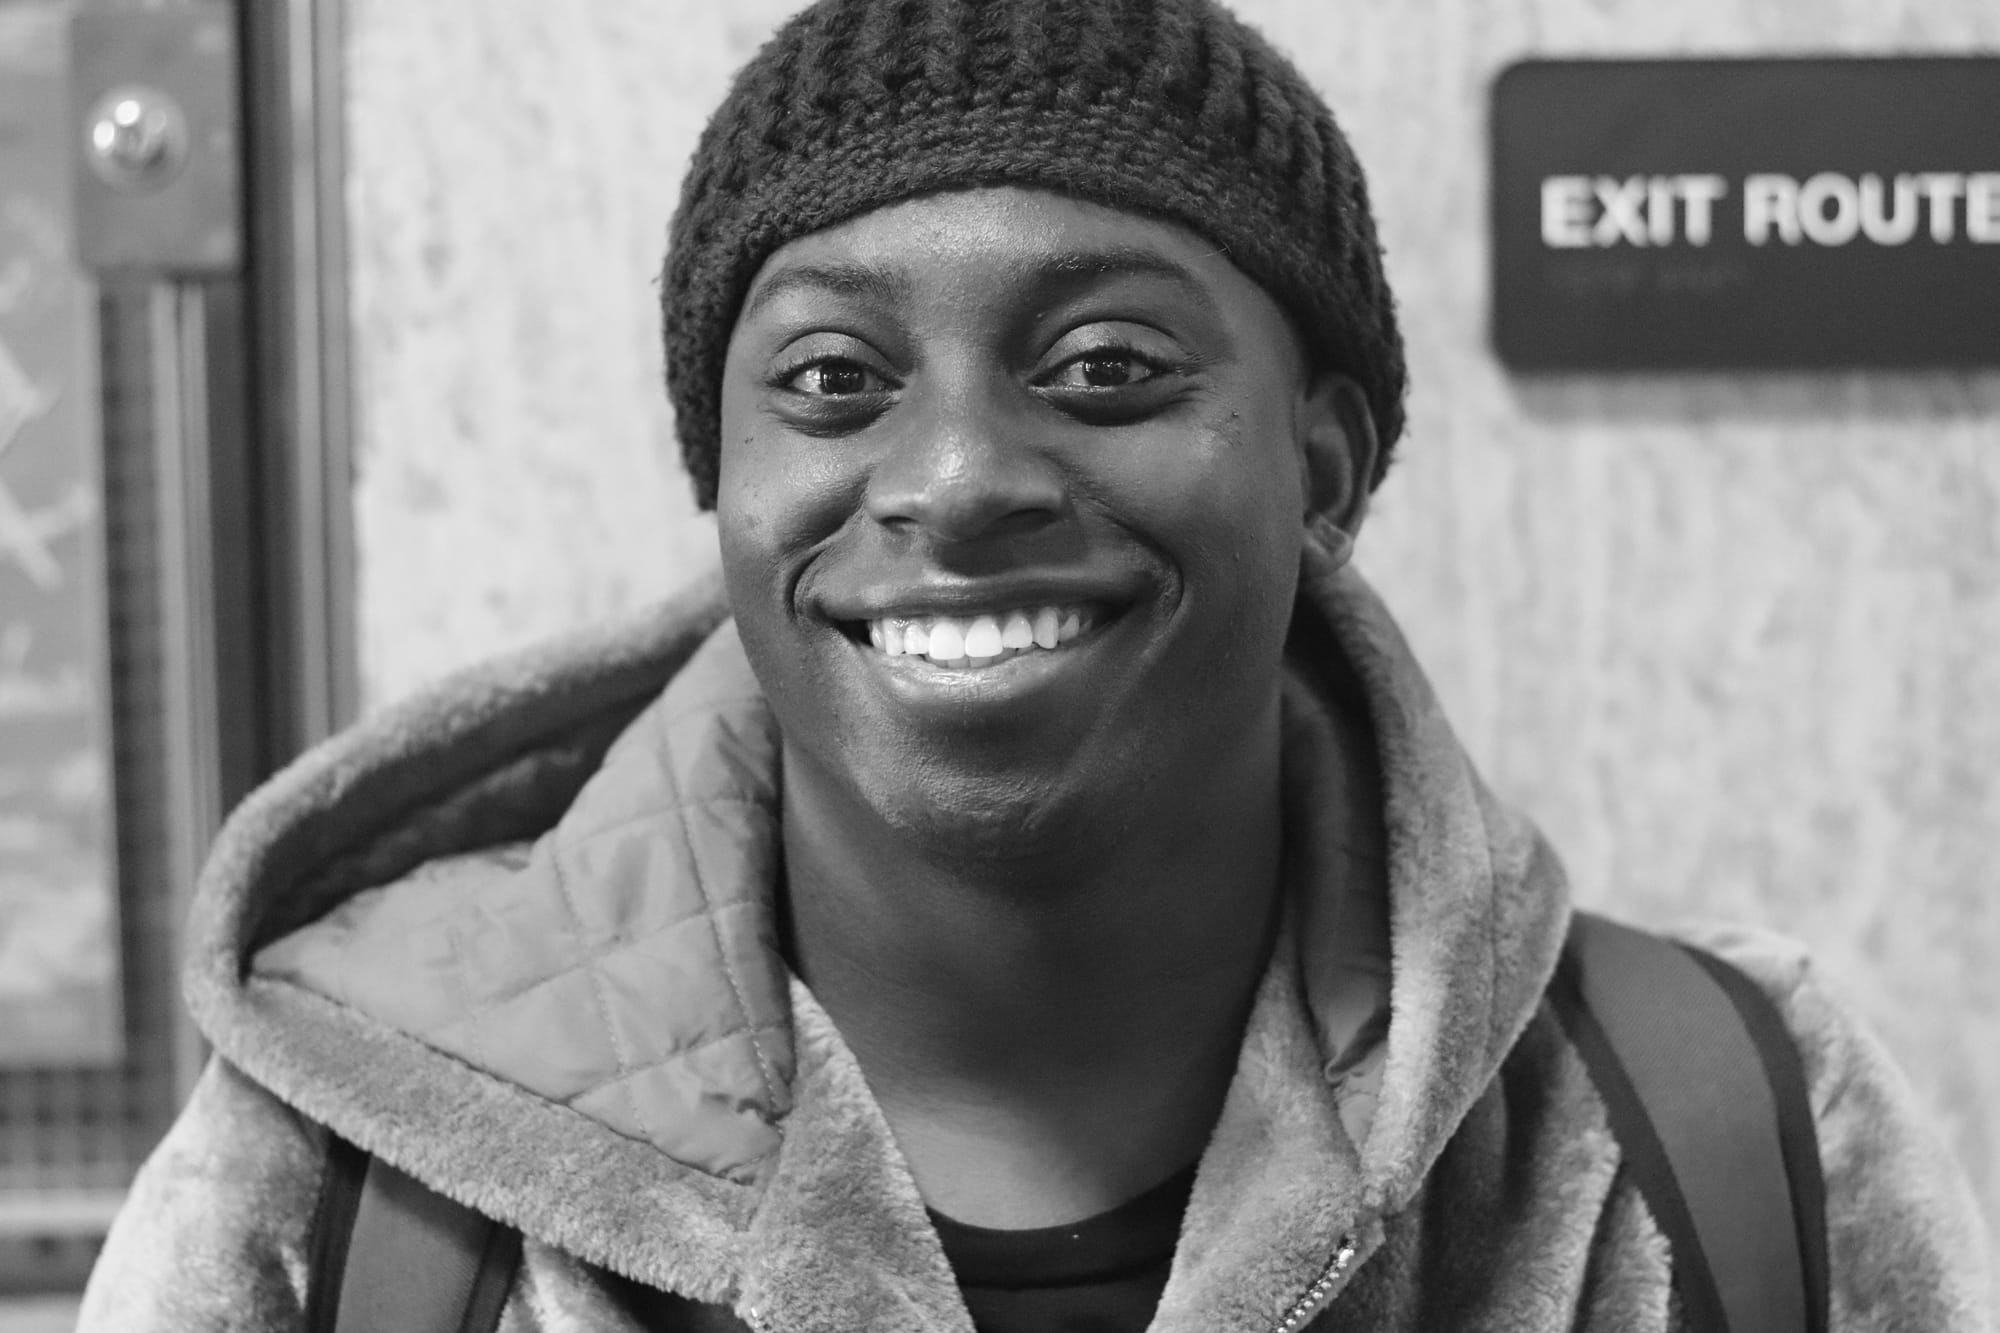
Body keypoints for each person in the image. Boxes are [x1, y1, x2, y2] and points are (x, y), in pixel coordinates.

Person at [80, 0, 1993, 1328]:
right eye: (835, 378)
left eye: (1106, 368)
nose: (958, 478)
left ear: (1324, 469)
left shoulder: (1731, 1129)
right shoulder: (342, 1172)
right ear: (723, 482)